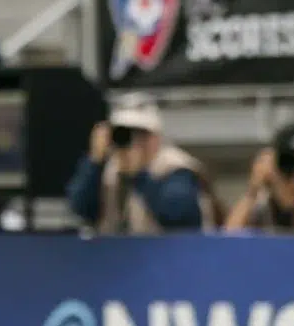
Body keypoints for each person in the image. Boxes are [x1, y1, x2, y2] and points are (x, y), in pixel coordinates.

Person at [68, 97, 210, 232]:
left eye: (141, 134)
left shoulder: (175, 167)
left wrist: (139, 175)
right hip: (120, 253)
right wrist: (94, 162)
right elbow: (80, 209)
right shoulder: (108, 168)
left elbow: (178, 216)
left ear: (155, 137)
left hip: (171, 254)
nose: (131, 141)